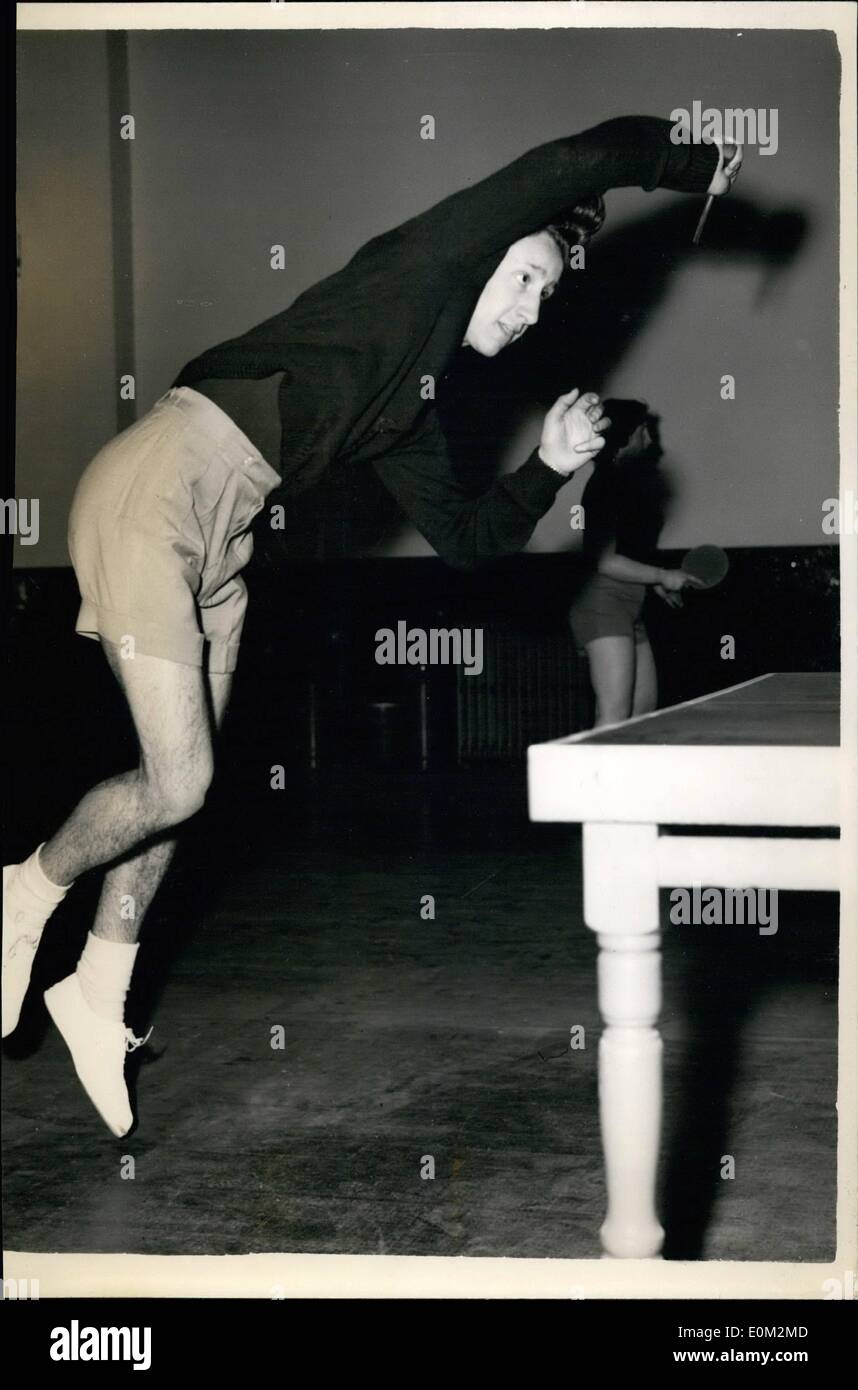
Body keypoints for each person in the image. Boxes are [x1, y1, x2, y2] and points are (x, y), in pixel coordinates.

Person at [3, 117, 742, 1136]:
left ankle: (98, 984)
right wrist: (690, 161)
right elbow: (563, 164)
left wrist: (554, 465)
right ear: (483, 252)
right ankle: (24, 891)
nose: (532, 311)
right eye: (525, 278)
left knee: (182, 793)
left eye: (548, 297)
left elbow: (475, 539)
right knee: (181, 779)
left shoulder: (411, 411)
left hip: (225, 540)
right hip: (162, 484)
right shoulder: (417, 269)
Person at [568, 400, 705, 727]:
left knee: (641, 713)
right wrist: (662, 574)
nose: (650, 439)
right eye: (643, 431)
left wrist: (656, 582)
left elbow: (628, 552)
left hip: (631, 603)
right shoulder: (604, 484)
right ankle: (592, 779)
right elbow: (604, 561)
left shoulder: (625, 484)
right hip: (603, 604)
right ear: (627, 436)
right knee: (613, 714)